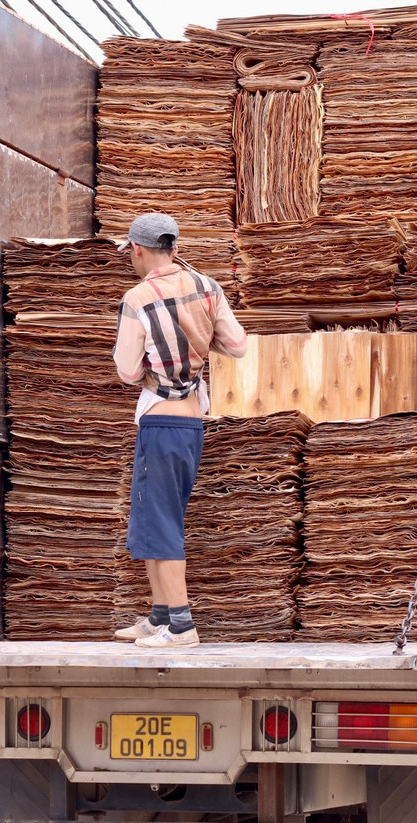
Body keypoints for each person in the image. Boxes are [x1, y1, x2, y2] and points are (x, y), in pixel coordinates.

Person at [110, 213, 248, 648]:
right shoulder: (208, 287)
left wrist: (154, 367)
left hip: (160, 419)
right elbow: (238, 345)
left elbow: (127, 371)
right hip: (191, 421)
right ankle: (160, 616)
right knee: (153, 519)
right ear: (173, 247)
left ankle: (182, 626)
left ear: (137, 249)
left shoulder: (137, 297)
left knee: (160, 522)